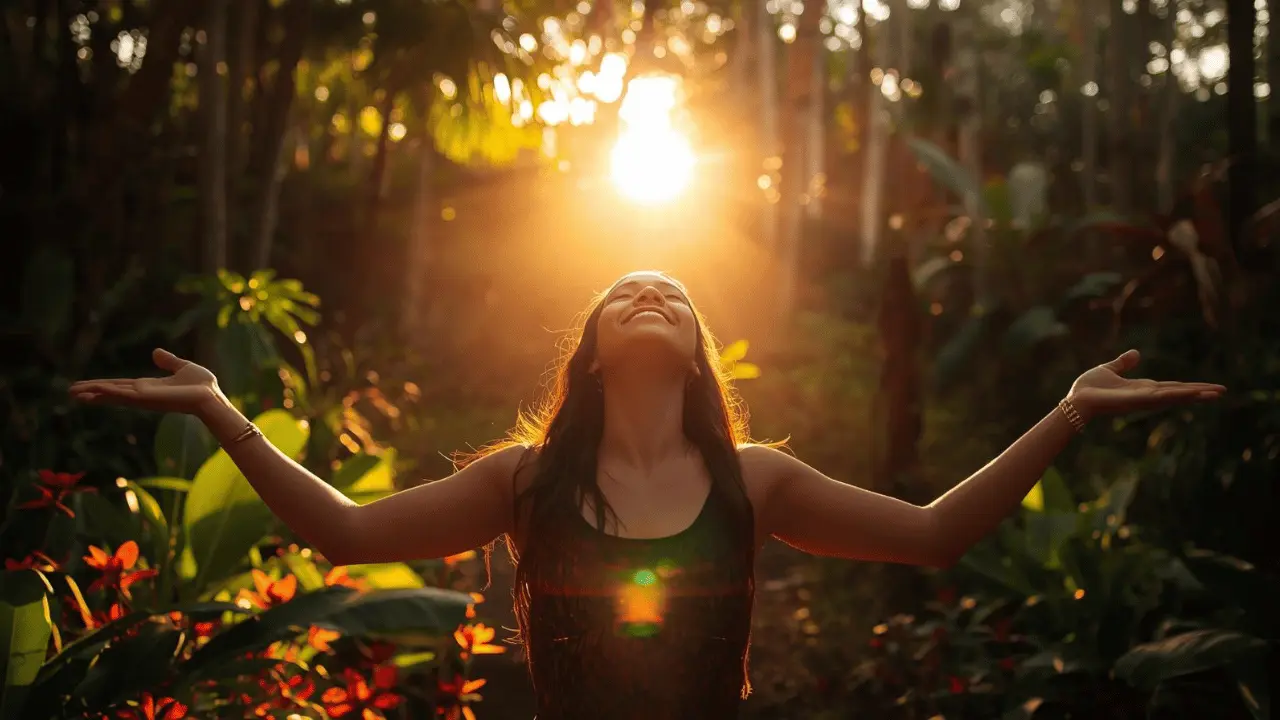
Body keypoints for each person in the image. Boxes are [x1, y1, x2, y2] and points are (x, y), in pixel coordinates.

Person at [69, 270, 1225, 719]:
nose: (647, 293)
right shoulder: (524, 482)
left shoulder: (754, 480)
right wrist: (219, 409)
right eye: (624, 290)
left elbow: (931, 538)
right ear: (586, 351)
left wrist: (1069, 411)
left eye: (670, 292)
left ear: (698, 351)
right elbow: (343, 531)